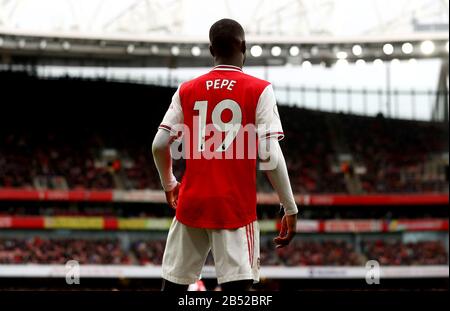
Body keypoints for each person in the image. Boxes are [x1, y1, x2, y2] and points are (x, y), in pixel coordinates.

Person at [152, 18, 298, 292]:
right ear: (244, 46)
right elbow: (270, 154)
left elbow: (159, 144)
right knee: (237, 294)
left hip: (191, 204)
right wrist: (289, 207)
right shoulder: (259, 90)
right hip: (234, 209)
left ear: (211, 50)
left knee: (173, 289)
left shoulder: (187, 90)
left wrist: (169, 183)